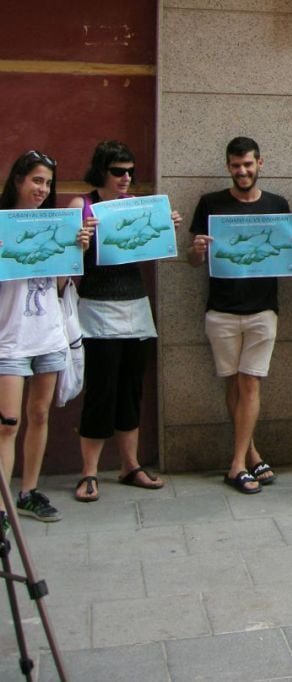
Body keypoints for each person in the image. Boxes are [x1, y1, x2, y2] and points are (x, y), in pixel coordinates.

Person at [188, 136, 292, 494]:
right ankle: (252, 453)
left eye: (248, 164)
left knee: (251, 383)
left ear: (260, 163)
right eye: (236, 165)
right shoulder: (209, 204)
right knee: (233, 385)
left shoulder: (277, 204)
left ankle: (236, 464)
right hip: (221, 309)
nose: (242, 171)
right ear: (228, 166)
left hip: (263, 309)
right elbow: (193, 260)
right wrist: (196, 250)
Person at [70, 140, 180, 502]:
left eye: (130, 171)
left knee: (131, 388)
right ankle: (89, 472)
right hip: (97, 309)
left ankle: (129, 465)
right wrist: (80, 241)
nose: (126, 178)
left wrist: (167, 228)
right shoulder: (81, 205)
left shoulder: (135, 206)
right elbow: (68, 258)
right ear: (102, 170)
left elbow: (150, 244)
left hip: (134, 306)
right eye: (119, 171)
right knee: (101, 390)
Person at [0, 151, 91, 524]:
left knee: (39, 415)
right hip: (10, 337)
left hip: (49, 334)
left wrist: (75, 254)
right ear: (19, 180)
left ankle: (28, 492)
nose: (43, 189)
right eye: (37, 180)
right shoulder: (3, 224)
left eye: (48, 183)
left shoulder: (58, 225)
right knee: (7, 423)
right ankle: (2, 504)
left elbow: (56, 288)